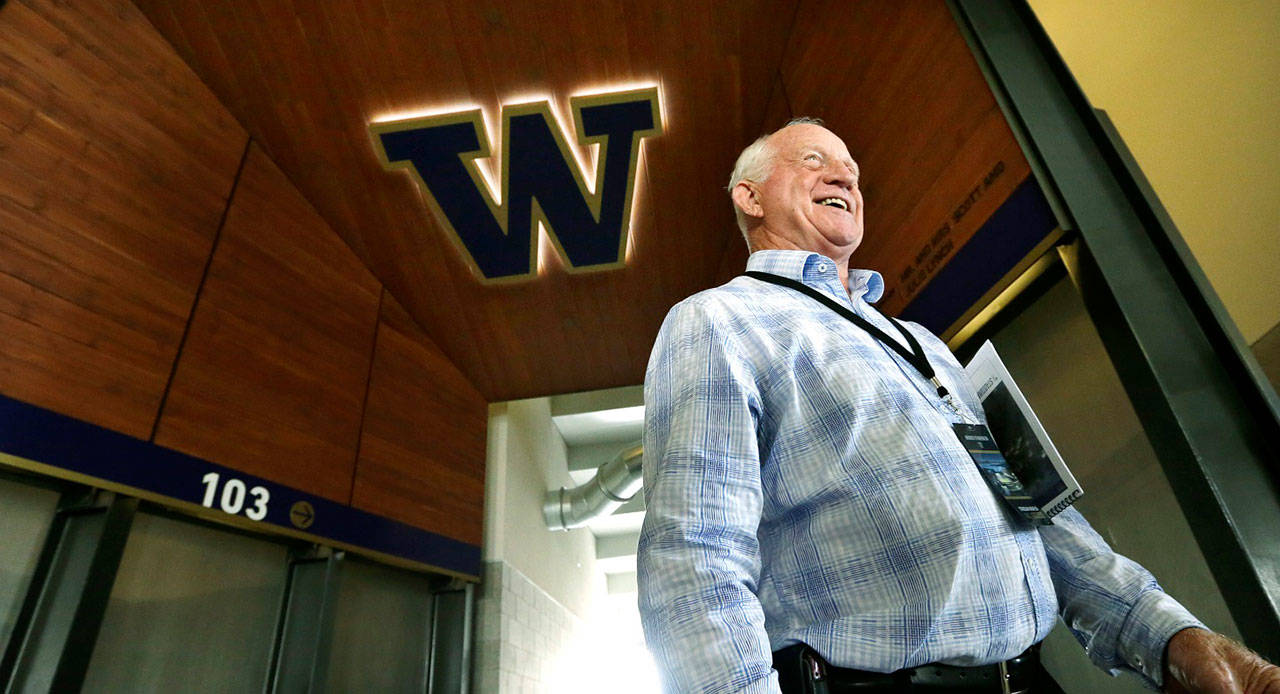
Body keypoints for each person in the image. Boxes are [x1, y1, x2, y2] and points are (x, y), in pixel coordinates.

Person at [636, 118, 1279, 693]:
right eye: (812, 160)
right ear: (748, 197)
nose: (844, 176)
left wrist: (1170, 637)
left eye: (853, 172)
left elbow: (1038, 514)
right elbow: (694, 557)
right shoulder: (716, 322)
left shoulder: (925, 346)